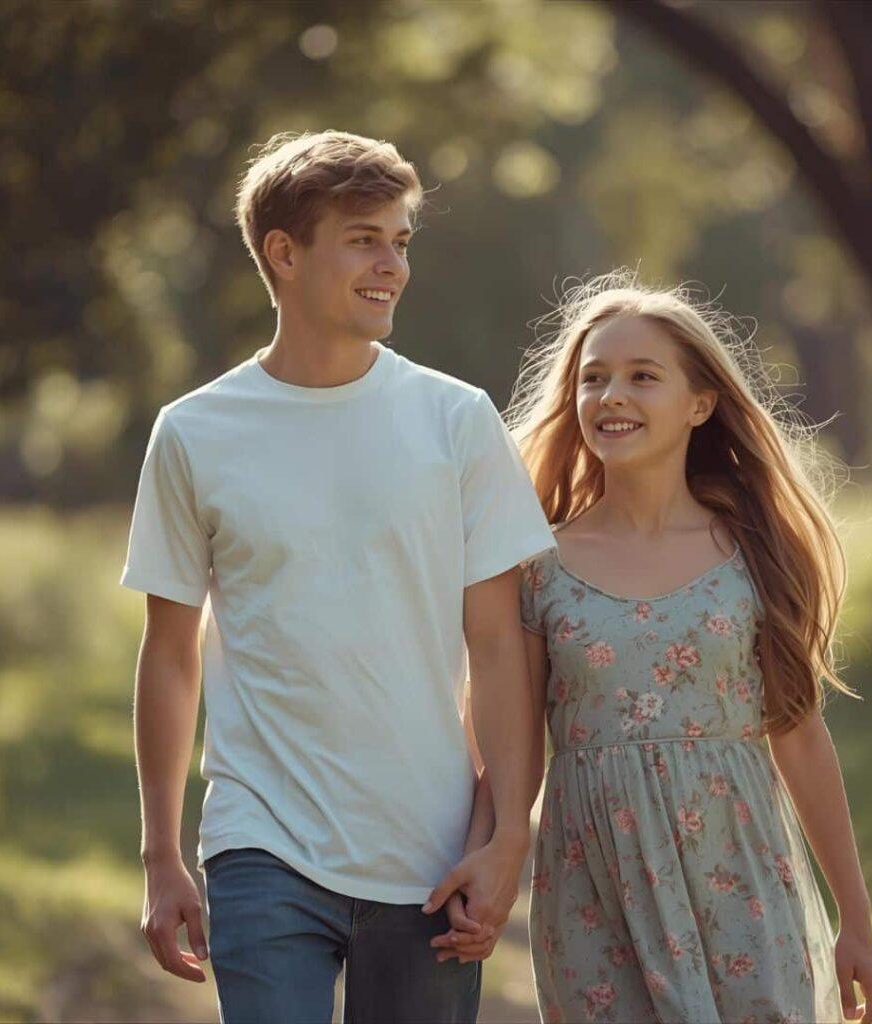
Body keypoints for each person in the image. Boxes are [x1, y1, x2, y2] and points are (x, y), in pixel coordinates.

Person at [120, 129, 554, 1023]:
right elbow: (170, 655)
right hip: (259, 839)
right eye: (364, 237)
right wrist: (162, 853)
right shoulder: (195, 433)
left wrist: (508, 835)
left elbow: (500, 647)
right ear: (285, 252)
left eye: (400, 241)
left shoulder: (457, 421)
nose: (391, 264)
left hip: (430, 853)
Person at [436, 272, 872, 1021]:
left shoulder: (753, 554)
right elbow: (507, 748)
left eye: (643, 377)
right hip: (593, 889)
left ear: (700, 405)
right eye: (593, 378)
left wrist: (857, 921)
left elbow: (800, 734)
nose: (611, 396)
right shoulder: (539, 567)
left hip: (739, 876)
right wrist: (488, 856)